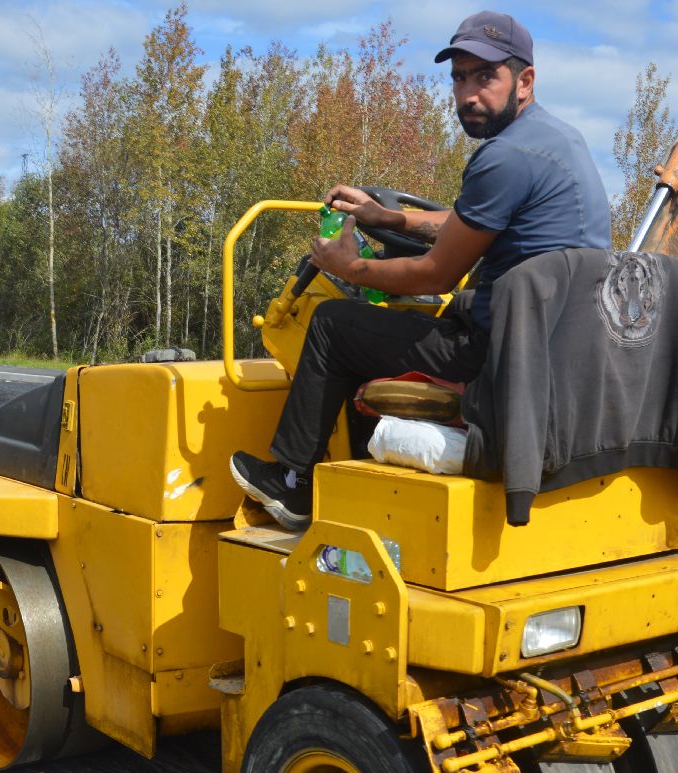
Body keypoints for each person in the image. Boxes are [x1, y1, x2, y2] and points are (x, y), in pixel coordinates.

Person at [229, 10, 612, 530]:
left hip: (499, 353)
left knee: (334, 325)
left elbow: (435, 275)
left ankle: (294, 484)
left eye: (485, 77)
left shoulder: (504, 157)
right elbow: (466, 223)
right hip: (550, 350)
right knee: (392, 325)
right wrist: (389, 218)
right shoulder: (557, 139)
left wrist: (350, 267)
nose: (468, 94)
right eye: (459, 78)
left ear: (524, 81)